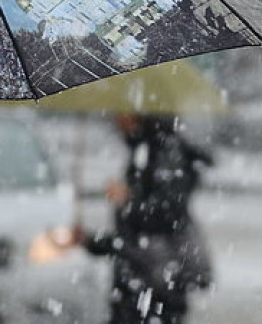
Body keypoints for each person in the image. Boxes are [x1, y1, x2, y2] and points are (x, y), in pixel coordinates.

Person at [74, 113, 215, 324]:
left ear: (138, 113)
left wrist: (127, 200)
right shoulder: (145, 150)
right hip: (141, 284)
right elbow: (134, 238)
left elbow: (166, 218)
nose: (115, 117)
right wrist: (91, 241)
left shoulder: (163, 154)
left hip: (154, 286)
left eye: (119, 110)